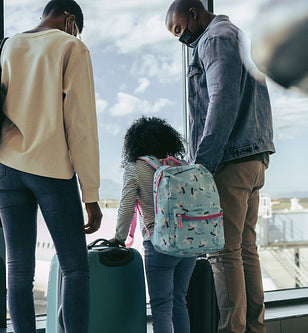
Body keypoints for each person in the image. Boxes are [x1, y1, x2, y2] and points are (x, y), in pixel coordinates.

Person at [0, 1, 102, 332]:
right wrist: (90, 193)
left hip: (4, 169)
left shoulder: (5, 46)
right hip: (50, 169)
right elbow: (80, 125)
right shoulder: (71, 46)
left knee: (18, 269)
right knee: (74, 267)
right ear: (70, 19)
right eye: (76, 27)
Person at [165, 1, 276, 332]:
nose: (180, 38)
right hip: (252, 159)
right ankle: (254, 328)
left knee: (223, 253)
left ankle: (233, 329)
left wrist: (202, 166)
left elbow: (221, 101)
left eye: (179, 29)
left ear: (193, 13)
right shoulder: (238, 38)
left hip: (230, 161)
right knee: (245, 251)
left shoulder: (215, 39)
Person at [111, 116, 196, 333]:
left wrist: (119, 238)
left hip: (159, 245)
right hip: (188, 243)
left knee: (161, 306)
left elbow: (127, 207)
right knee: (180, 300)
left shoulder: (136, 167)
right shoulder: (180, 165)